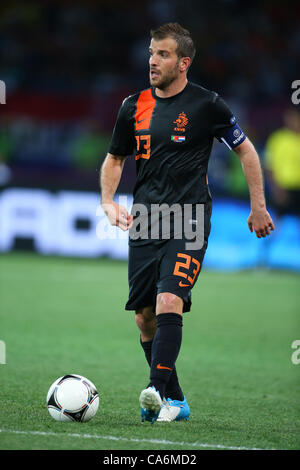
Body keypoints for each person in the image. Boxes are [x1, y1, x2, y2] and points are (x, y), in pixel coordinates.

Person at [100, 23, 274, 424]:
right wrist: (108, 202)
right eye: (150, 53)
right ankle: (175, 401)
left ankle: (155, 392)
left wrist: (258, 205)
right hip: (145, 220)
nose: (152, 61)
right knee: (144, 317)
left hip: (190, 219)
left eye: (162, 54)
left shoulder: (207, 105)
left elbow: (246, 151)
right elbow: (115, 159)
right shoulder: (133, 106)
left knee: (168, 302)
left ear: (183, 63)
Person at [264, 107, 300, 218]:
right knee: (277, 224)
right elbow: (269, 166)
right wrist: (276, 189)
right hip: (283, 189)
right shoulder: (278, 139)